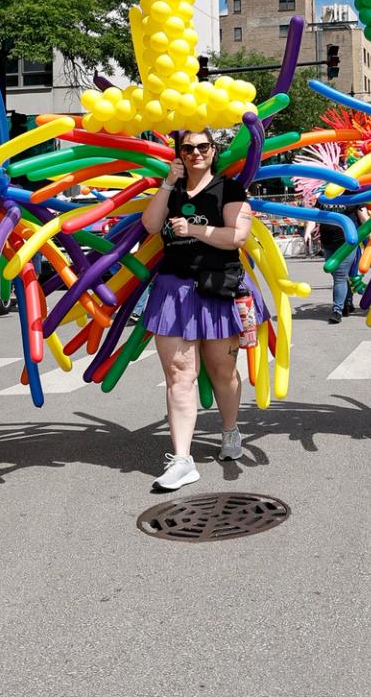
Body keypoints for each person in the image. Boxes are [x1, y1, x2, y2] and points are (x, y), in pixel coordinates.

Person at [139, 128, 251, 491]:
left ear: (213, 149)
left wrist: (196, 231)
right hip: (173, 288)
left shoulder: (229, 188)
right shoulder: (171, 188)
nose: (195, 153)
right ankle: (183, 459)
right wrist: (168, 185)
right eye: (187, 148)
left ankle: (230, 431)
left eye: (202, 146)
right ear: (179, 154)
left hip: (216, 287)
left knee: (223, 371)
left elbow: (237, 236)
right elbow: (151, 225)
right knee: (178, 373)